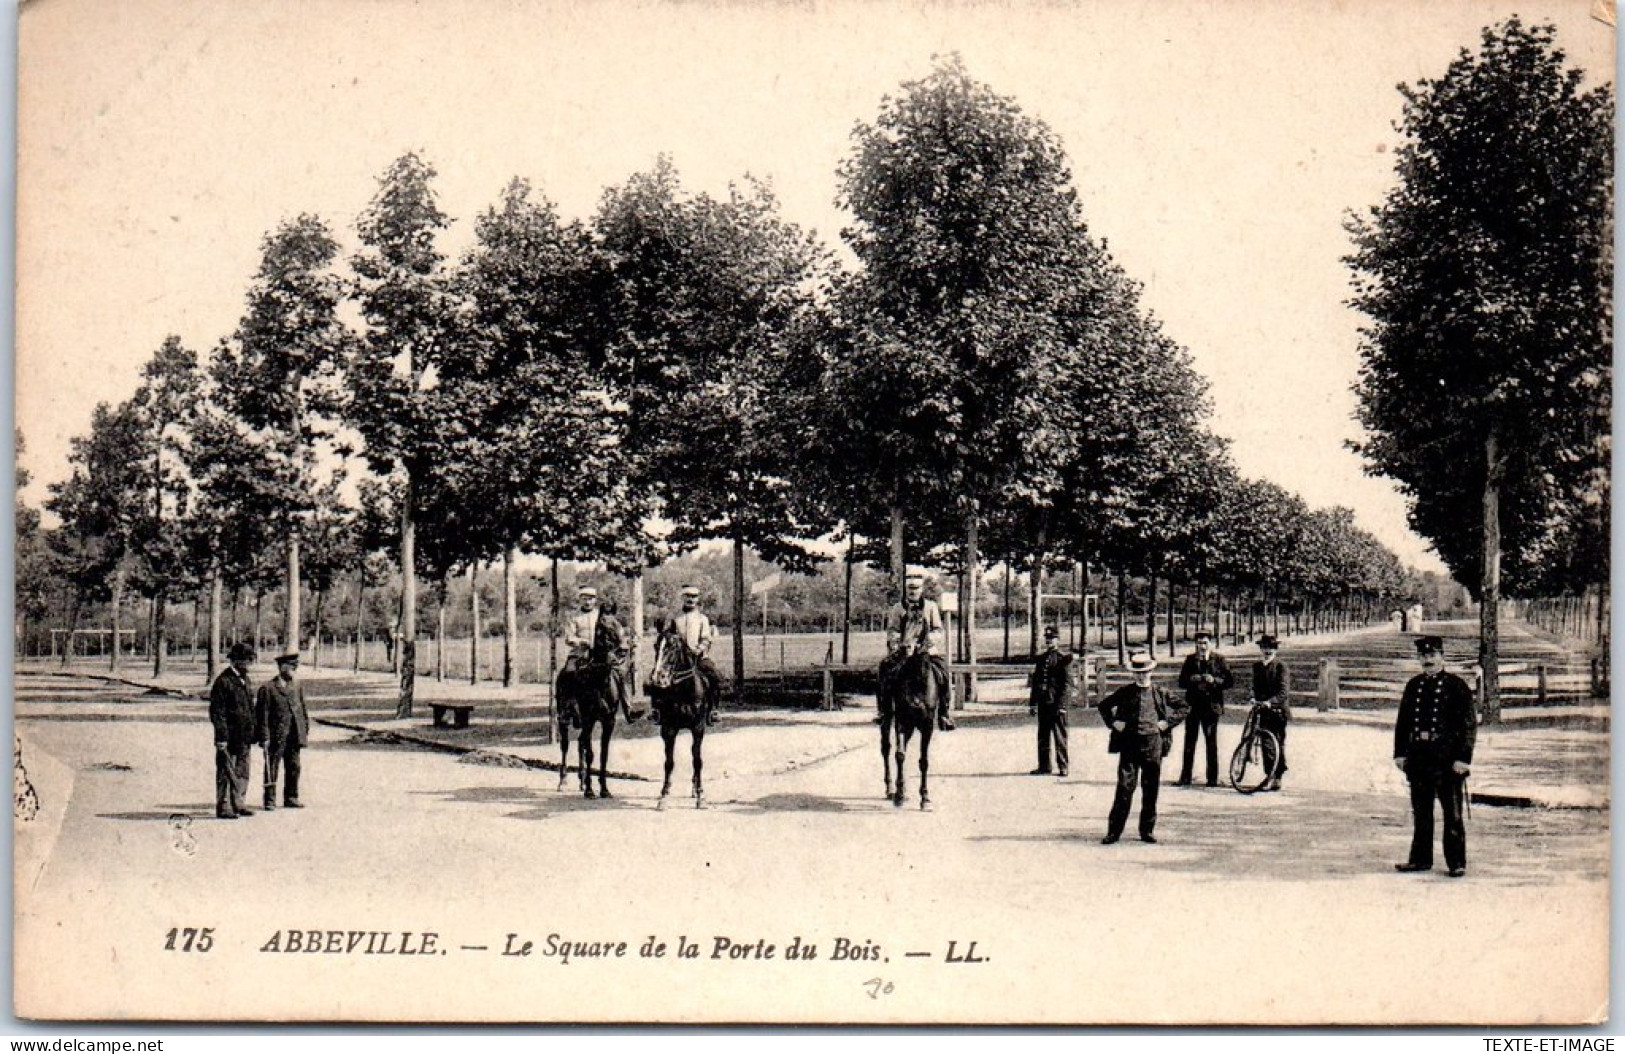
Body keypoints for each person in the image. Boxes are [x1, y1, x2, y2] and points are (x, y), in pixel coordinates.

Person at [1393, 635, 1477, 877]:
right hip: (1419, 756)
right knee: (1421, 812)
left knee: (1452, 813)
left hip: (1447, 759)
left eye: (1431, 655)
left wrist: (1464, 758)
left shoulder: (1456, 685)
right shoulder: (1414, 685)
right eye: (1423, 656)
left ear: (1442, 656)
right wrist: (1400, 754)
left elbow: (1468, 725)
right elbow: (1403, 722)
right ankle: (1420, 859)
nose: (1427, 660)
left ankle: (1456, 862)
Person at [1096, 650, 1188, 844]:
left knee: (1150, 788)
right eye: (1138, 672)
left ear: (1151, 672)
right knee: (1124, 788)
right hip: (1129, 745)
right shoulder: (1125, 692)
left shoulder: (1160, 693)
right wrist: (1114, 722)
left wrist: (1167, 723)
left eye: (1145, 672)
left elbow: (1184, 707)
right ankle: (1114, 832)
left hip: (1153, 744)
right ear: (1133, 674)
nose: (1141, 675)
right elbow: (1104, 706)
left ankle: (1147, 830)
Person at [879, 570, 954, 731]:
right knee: (884, 668)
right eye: (910, 589)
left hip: (926, 651)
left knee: (943, 672)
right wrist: (902, 644)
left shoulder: (931, 607)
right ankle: (884, 710)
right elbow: (892, 630)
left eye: (916, 588)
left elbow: (938, 630)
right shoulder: (898, 608)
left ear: (922, 589)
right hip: (904, 651)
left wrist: (925, 643)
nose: (913, 592)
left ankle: (944, 712)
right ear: (906, 590)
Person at [563, 586, 634, 722]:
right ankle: (568, 708)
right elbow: (569, 638)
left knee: (619, 673)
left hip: (601, 654)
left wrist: (624, 641)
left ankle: (628, 709)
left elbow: (617, 630)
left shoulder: (601, 616)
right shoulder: (574, 617)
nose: (587, 602)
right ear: (580, 600)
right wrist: (582, 641)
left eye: (590, 599)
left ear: (595, 600)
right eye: (584, 599)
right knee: (568, 672)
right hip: (579, 654)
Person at [1176, 630, 1234, 787]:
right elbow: (1181, 682)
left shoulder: (1219, 660)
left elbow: (1229, 681)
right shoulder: (1189, 660)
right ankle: (1185, 777)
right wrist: (1191, 679)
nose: (1202, 646)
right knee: (1189, 742)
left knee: (1211, 742)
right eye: (1199, 643)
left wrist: (1214, 680)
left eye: (1205, 643)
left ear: (1211, 643)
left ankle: (1212, 779)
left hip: (1211, 707)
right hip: (1193, 707)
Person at [661, 584, 722, 725]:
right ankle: (658, 710)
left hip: (698, 657)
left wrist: (699, 649)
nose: (691, 599)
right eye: (688, 596)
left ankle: (713, 710)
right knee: (658, 677)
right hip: (677, 658)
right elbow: (667, 633)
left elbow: (706, 638)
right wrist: (670, 637)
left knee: (715, 676)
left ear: (698, 599)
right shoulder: (676, 618)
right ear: (683, 598)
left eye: (694, 596)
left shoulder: (702, 619)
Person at [255, 652, 310, 809]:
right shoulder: (268, 688)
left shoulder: (297, 685)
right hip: (275, 735)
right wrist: (264, 736)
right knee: (271, 766)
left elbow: (302, 709)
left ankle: (291, 797)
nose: (294, 670)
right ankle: (270, 800)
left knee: (294, 766)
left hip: (294, 734)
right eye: (291, 667)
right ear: (281, 667)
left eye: (295, 667)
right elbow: (262, 715)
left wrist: (304, 728)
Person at [209, 642, 257, 820]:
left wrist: (255, 731)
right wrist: (221, 737)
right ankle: (224, 806)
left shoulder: (245, 679)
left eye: (250, 661)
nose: (248, 664)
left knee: (242, 770)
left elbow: (250, 708)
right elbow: (217, 712)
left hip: (244, 736)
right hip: (229, 737)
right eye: (245, 660)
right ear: (236, 661)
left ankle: (239, 803)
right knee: (226, 771)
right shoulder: (223, 682)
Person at [1027, 625, 1072, 777]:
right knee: (1043, 735)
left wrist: (1063, 705)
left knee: (1060, 736)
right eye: (1047, 638)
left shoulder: (1063, 659)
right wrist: (1033, 703)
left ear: (1058, 639)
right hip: (1043, 703)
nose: (1049, 641)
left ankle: (1063, 766)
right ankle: (1044, 766)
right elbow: (1036, 683)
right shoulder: (1041, 659)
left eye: (1052, 638)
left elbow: (1067, 684)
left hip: (1056, 704)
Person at [1250, 634, 1291, 792]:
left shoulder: (1281, 666)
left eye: (1271, 648)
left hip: (1278, 712)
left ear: (1275, 650)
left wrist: (1270, 702)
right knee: (1267, 745)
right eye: (1265, 648)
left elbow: (1283, 691)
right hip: (1262, 710)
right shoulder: (1257, 666)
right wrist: (1253, 697)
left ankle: (1277, 777)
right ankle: (1270, 775)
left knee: (1278, 744)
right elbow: (1254, 687)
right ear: (1261, 649)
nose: (1267, 651)